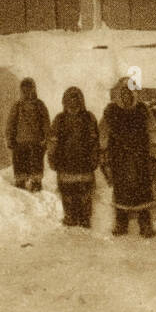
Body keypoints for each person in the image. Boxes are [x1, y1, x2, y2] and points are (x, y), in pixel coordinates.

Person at [99, 78, 156, 237]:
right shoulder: (111, 111)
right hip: (119, 158)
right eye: (123, 93)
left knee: (143, 190)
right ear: (120, 95)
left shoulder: (142, 110)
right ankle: (121, 224)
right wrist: (104, 153)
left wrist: (154, 155)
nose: (126, 96)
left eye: (129, 93)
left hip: (140, 157)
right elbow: (104, 134)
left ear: (133, 94)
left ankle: (145, 225)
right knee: (121, 190)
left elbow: (153, 132)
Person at [46, 86, 99, 227]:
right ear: (65, 101)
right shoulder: (60, 119)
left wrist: (94, 157)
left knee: (85, 192)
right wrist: (52, 157)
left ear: (81, 101)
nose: (73, 103)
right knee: (67, 192)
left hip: (84, 162)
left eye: (76, 99)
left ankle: (85, 217)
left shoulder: (89, 117)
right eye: (70, 99)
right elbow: (52, 140)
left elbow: (94, 140)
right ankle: (70, 215)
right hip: (65, 162)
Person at [5, 77, 50, 192]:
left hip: (36, 142)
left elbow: (45, 122)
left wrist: (46, 138)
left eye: (29, 89)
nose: (27, 92)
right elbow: (11, 124)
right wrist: (10, 139)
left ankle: (35, 182)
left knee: (36, 162)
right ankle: (21, 181)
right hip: (21, 142)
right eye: (24, 90)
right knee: (21, 162)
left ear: (33, 90)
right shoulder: (18, 106)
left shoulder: (39, 105)